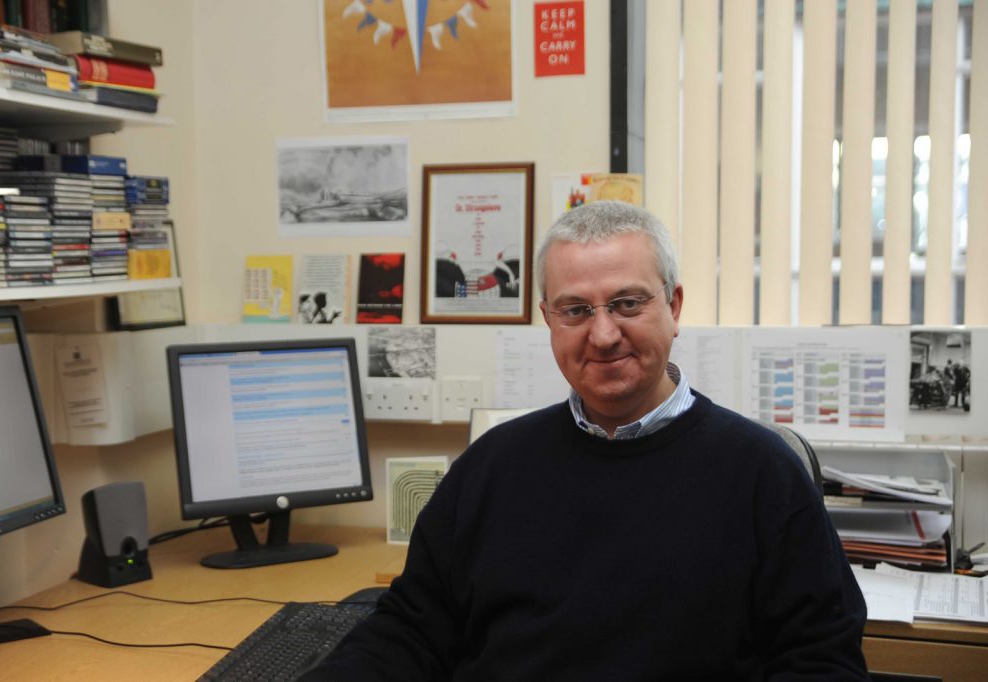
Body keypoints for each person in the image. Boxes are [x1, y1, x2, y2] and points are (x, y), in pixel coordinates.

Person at [306, 201, 869, 680]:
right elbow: (412, 627)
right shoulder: (492, 466)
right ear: (548, 319)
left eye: (628, 303)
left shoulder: (764, 476)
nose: (602, 334)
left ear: (673, 307)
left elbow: (821, 662)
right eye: (576, 310)